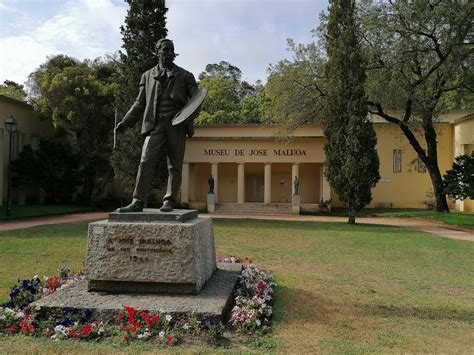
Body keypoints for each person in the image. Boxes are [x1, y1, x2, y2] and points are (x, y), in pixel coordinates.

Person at [115, 38, 198, 213]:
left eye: (172, 50)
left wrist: (185, 116)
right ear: (158, 51)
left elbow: (197, 102)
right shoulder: (147, 76)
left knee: (174, 165)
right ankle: (138, 201)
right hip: (155, 125)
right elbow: (139, 103)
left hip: (177, 126)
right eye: (166, 50)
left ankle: (169, 200)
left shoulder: (186, 75)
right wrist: (126, 121)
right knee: (145, 161)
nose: (169, 53)